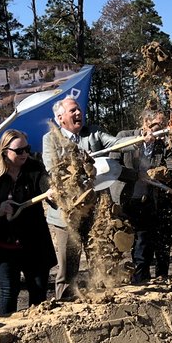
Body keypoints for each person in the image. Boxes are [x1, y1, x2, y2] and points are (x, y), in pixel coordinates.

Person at [41, 95, 119, 299]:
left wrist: (141, 138)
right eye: (73, 110)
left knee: (100, 259)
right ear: (60, 117)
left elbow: (117, 142)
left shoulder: (93, 133)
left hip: (95, 213)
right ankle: (64, 305)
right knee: (68, 267)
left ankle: (103, 299)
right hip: (68, 214)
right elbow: (52, 169)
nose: (78, 113)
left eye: (79, 110)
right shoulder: (50, 139)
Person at [0, 130, 55, 317]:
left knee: (38, 290)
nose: (25, 154)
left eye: (27, 149)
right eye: (19, 151)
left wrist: (52, 192)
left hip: (34, 243)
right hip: (3, 246)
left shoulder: (35, 167)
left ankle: (37, 328)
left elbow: (46, 186)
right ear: (4, 152)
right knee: (9, 290)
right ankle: (8, 330)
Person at [120, 107, 172, 283]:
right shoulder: (125, 138)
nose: (161, 130)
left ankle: (148, 279)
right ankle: (134, 281)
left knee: (145, 245)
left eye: (163, 126)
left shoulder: (162, 145)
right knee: (129, 244)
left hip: (150, 201)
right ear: (145, 123)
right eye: (157, 126)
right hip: (126, 200)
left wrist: (164, 173)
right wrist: (136, 175)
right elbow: (114, 167)